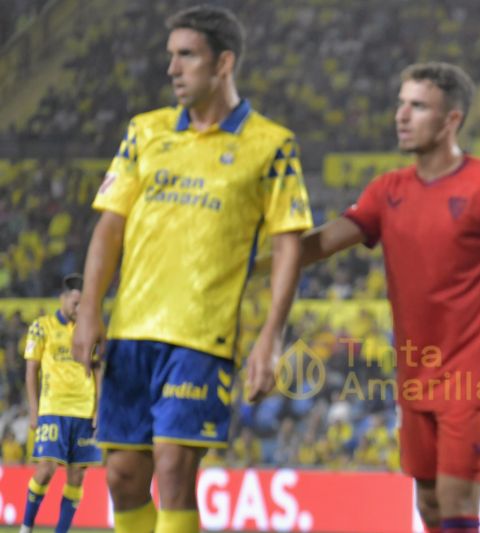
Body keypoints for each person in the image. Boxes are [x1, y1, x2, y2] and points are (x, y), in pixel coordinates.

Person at [71, 6, 312, 533]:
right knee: (121, 475)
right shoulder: (145, 132)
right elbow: (109, 226)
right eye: (170, 56)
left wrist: (271, 337)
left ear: (223, 62)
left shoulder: (271, 144)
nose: (172, 69)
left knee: (175, 467)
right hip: (132, 329)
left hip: (202, 335)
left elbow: (288, 244)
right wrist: (90, 309)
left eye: (187, 55)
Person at [301, 62, 480, 533]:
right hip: (415, 373)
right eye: (401, 103)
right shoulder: (387, 190)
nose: (401, 115)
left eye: (417, 106)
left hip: (474, 373)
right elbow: (317, 244)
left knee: (458, 496)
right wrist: (246, 259)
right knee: (430, 503)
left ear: (450, 121)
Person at [21, 274, 101, 533]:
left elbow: (99, 371)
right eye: (75, 303)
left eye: (83, 303)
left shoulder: (90, 329)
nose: (79, 308)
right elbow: (31, 370)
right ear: (63, 298)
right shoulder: (41, 326)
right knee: (45, 469)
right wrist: (34, 410)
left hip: (84, 412)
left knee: (77, 477)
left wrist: (99, 409)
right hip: (53, 409)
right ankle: (26, 527)